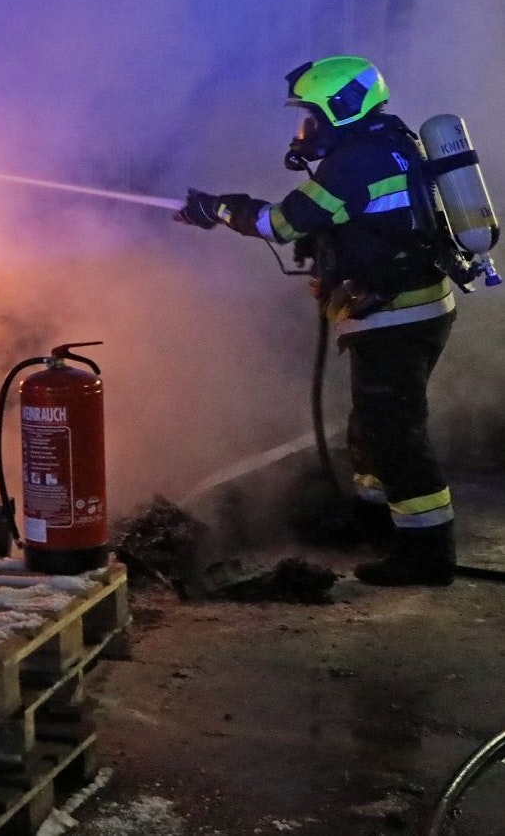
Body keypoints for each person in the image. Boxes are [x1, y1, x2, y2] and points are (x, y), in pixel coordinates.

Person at [175, 55, 457, 587]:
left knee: (396, 436)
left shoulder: (354, 162)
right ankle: (375, 522)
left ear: (340, 108)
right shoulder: (388, 142)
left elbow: (280, 222)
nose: (306, 127)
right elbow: (370, 219)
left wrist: (218, 209)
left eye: (312, 114)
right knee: (371, 425)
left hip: (397, 315)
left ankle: (428, 553)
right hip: (410, 307)